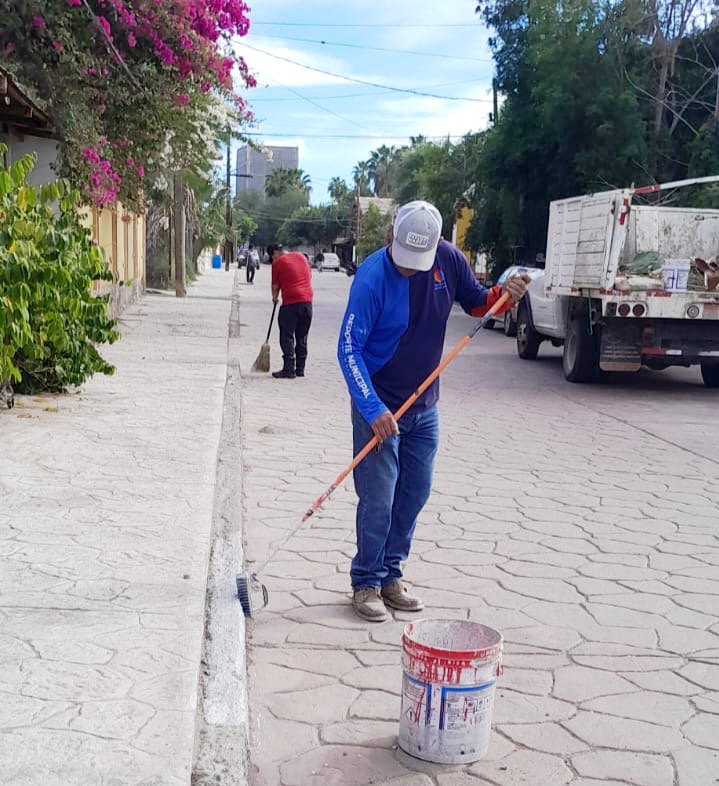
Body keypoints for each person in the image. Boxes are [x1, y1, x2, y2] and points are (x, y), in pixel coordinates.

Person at [337, 200, 529, 622]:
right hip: (379, 405)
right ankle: (366, 581)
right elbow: (348, 348)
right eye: (404, 257)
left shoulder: (449, 259)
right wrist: (371, 408)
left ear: (435, 244)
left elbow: (478, 303)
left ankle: (391, 576)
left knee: (415, 492)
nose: (409, 268)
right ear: (392, 235)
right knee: (378, 498)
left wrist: (505, 295)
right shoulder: (371, 278)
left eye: (417, 260)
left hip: (425, 405)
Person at [269, 243, 314, 379]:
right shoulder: (301, 257)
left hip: (291, 303)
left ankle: (289, 369)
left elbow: (275, 286)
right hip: (307, 303)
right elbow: (309, 276)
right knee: (302, 336)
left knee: (286, 335)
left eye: (272, 257)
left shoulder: (277, 263)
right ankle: (300, 368)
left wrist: (275, 298)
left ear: (274, 253)